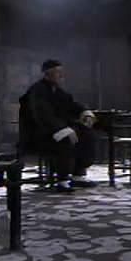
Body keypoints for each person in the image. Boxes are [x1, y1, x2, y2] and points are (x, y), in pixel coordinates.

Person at [18, 59, 97, 192]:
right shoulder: (38, 91)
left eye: (62, 72)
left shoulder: (58, 91)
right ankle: (62, 180)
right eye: (57, 72)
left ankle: (78, 174)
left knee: (85, 133)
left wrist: (85, 112)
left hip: (51, 132)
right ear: (47, 75)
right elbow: (43, 115)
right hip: (37, 135)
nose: (61, 75)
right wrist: (62, 129)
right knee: (65, 138)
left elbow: (72, 104)